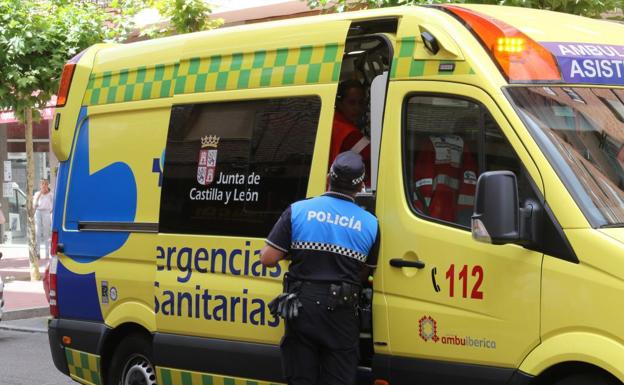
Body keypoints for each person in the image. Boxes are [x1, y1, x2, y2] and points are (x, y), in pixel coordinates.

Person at [260, 151, 379, 385]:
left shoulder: (299, 210)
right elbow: (366, 271)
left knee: (302, 377)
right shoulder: (371, 223)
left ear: (328, 178)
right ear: (361, 186)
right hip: (343, 312)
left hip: (303, 307)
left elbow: (268, 258)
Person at [329, 80, 371, 184]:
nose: (357, 108)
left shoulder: (332, 120)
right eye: (352, 103)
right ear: (339, 104)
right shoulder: (349, 133)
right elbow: (374, 157)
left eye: (361, 102)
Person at [34, 179, 53, 259]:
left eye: (45, 184)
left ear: (47, 185)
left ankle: (47, 253)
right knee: (38, 233)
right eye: (42, 184)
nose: (44, 185)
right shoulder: (37, 193)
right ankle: (37, 253)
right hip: (38, 212)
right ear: (40, 185)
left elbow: (53, 205)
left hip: (46, 212)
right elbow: (34, 205)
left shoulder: (51, 194)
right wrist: (40, 194)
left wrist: (50, 212)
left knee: (46, 233)